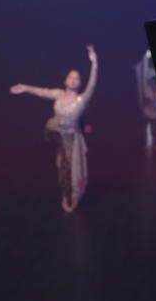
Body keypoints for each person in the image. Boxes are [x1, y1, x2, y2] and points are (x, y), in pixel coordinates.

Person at [11, 44, 98, 212]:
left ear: (80, 83)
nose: (73, 80)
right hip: (57, 132)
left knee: (71, 169)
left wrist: (94, 64)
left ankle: (72, 195)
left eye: (77, 78)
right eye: (70, 77)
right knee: (64, 165)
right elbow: (42, 92)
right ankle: (67, 195)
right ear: (65, 80)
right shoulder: (58, 94)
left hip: (72, 138)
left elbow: (92, 86)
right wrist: (25, 87)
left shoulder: (81, 100)